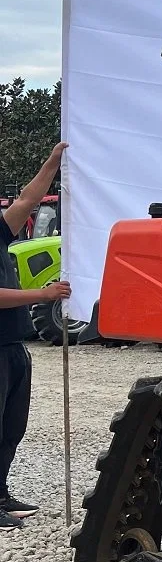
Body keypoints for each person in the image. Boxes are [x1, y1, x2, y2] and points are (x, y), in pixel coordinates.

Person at [0, 144, 71, 531]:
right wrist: (42, 295)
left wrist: (53, 162)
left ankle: (0, 493)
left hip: (13, 347)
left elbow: (28, 200)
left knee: (12, 427)